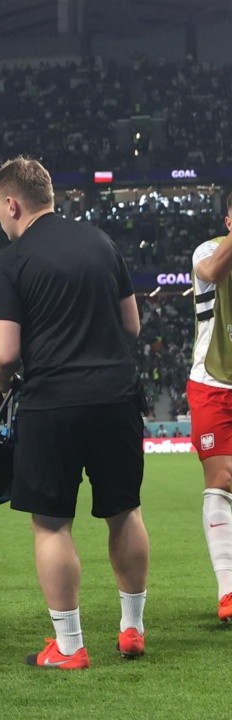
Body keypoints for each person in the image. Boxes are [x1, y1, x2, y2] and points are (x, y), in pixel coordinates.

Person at [0, 156, 149, 668]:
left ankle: (71, 646)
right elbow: (133, 326)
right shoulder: (101, 242)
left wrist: (1, 380)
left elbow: (5, 353)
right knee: (124, 512)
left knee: (52, 525)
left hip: (52, 404)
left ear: (12, 204)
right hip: (117, 396)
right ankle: (132, 628)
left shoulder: (10, 262)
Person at [186, 192, 232, 622]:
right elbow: (214, 272)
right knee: (220, 480)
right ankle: (228, 591)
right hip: (213, 384)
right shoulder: (209, 249)